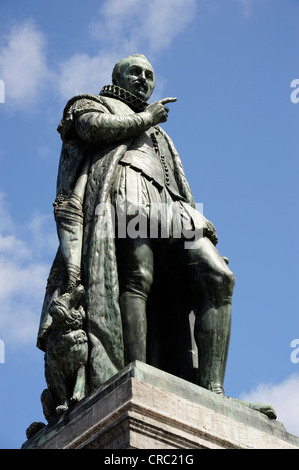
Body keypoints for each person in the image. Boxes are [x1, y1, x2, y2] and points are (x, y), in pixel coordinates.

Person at [37, 53, 235, 400]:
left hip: (171, 206)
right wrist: (146, 117)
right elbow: (91, 128)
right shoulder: (90, 102)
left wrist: (195, 214)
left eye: (150, 74)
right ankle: (137, 373)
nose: (144, 79)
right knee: (137, 277)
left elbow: (176, 180)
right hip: (126, 192)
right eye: (136, 72)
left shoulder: (159, 132)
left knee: (218, 277)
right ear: (119, 76)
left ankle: (213, 390)